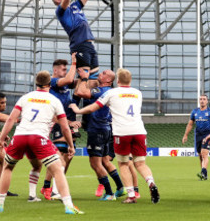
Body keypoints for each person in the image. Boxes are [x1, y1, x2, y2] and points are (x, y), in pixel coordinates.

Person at [0, 70, 83, 215]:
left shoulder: (26, 97)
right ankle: (68, 205)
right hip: (38, 137)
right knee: (58, 169)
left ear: (36, 83)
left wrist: (0, 140)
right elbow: (65, 127)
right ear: (49, 84)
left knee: (8, 167)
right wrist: (71, 145)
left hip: (20, 136)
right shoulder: (54, 100)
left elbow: (10, 120)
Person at [72, 68, 159, 204]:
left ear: (117, 80)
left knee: (123, 164)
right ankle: (151, 183)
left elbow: (93, 107)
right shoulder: (138, 93)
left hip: (122, 132)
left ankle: (131, 195)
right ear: (130, 80)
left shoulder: (112, 93)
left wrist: (77, 110)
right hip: (139, 131)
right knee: (140, 163)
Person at [74, 67, 125, 200]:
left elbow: (80, 91)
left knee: (95, 163)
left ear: (108, 80)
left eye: (104, 73)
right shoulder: (110, 92)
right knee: (105, 161)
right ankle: (120, 187)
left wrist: (84, 77)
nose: (100, 74)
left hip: (97, 130)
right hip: (106, 129)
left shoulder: (101, 91)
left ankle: (109, 193)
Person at [39, 55, 81, 201]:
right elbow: (69, 79)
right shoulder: (53, 81)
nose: (65, 71)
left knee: (68, 157)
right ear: (55, 70)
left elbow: (78, 83)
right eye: (63, 69)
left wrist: (86, 75)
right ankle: (55, 190)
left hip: (69, 123)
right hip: (58, 123)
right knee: (59, 158)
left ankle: (47, 186)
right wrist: (75, 62)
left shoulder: (65, 86)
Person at [52, 0, 100, 79]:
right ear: (58, 0)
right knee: (83, 78)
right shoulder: (60, 11)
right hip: (79, 45)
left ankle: (88, 98)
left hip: (89, 44)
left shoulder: (75, 6)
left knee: (93, 78)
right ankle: (76, 99)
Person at [182, 94, 210, 180]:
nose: (202, 100)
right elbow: (190, 124)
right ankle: (204, 174)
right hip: (198, 134)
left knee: (204, 154)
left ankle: (203, 172)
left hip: (208, 134)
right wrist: (185, 135)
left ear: (207, 101)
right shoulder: (195, 112)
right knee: (200, 155)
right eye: (200, 99)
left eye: (204, 99)